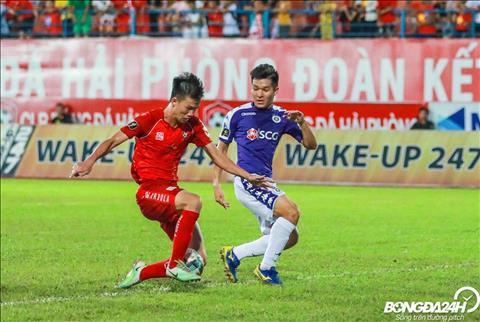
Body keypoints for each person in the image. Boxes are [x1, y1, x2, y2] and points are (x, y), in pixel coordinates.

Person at [70, 72, 269, 287]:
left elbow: (217, 155)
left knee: (198, 260)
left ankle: (141, 272)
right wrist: (88, 162)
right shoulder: (150, 120)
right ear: (174, 101)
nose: (191, 113)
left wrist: (246, 175)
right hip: (148, 193)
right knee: (193, 201)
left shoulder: (192, 125)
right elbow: (112, 140)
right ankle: (173, 265)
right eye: (188, 108)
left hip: (170, 195)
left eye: (195, 109)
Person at [213, 64, 317, 285]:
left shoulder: (282, 117)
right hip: (247, 181)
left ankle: (235, 254)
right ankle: (266, 269)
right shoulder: (237, 115)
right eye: (256, 88)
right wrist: (217, 185)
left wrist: (302, 123)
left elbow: (310, 145)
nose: (259, 94)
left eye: (265, 89)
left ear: (275, 90)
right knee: (292, 212)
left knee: (289, 237)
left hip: (266, 182)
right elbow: (219, 152)